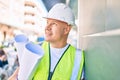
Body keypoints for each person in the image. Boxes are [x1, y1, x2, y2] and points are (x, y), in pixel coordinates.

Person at [8, 3, 84, 80]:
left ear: (66, 29)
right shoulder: (33, 51)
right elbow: (16, 76)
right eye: (47, 23)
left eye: (53, 24)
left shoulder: (78, 57)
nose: (47, 27)